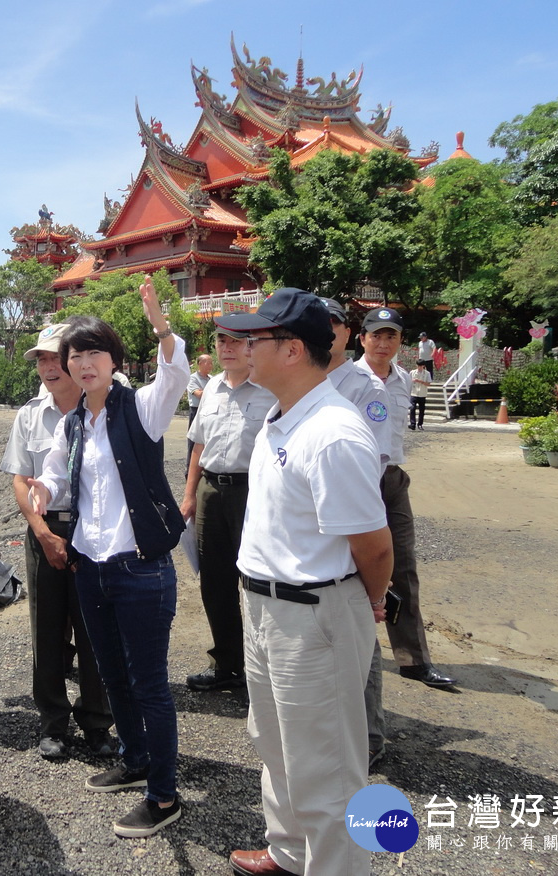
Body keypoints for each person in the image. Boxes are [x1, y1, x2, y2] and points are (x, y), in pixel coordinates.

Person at [228, 288, 393, 876]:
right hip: (268, 606)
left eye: (255, 339)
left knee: (327, 768)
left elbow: (373, 545)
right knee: (275, 747)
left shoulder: (333, 433)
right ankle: (290, 852)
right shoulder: (283, 415)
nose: (243, 348)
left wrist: (370, 601)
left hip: (314, 613)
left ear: (292, 349)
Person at [28, 276, 189, 839]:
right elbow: (52, 468)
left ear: (114, 360)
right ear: (66, 367)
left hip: (141, 570)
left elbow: (173, 375)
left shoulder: (140, 409)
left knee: (149, 684)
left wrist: (160, 325)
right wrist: (44, 492)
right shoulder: (73, 422)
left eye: (95, 351)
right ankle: (134, 757)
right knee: (112, 675)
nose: (84, 362)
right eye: (76, 354)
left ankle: (164, 795)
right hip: (90, 567)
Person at [0, 324, 114, 760]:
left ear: (73, 359)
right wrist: (43, 532)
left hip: (94, 532)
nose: (48, 366)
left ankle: (98, 723)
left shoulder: (104, 408)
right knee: (46, 630)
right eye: (41, 360)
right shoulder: (30, 414)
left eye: (55, 357)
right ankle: (52, 723)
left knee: (95, 630)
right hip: (44, 530)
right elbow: (19, 478)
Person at [357, 308, 456, 691]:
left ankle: (413, 660)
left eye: (391, 337)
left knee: (403, 567)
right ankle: (353, 652)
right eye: (376, 336)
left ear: (401, 342)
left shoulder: (403, 380)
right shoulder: (345, 380)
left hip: (392, 480)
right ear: (361, 338)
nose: (383, 343)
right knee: (345, 565)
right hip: (354, 479)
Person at [179, 316, 275, 692]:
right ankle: (228, 665)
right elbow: (198, 447)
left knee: (257, 582)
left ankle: (262, 675)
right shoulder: (212, 388)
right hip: (211, 493)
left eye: (236, 341)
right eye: (221, 340)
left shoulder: (269, 390)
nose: (226, 348)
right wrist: (189, 495)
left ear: (252, 347)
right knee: (215, 583)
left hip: (253, 493)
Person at [320, 298, 393, 770]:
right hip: (313, 523)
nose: (321, 333)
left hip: (350, 516)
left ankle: (368, 735)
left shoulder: (365, 386)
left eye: (331, 325)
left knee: (360, 620)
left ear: (347, 332)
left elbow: (374, 464)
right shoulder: (299, 379)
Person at [185, 354, 214, 471]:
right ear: (200, 364)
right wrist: (211, 392)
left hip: (210, 411)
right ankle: (189, 471)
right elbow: (198, 394)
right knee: (194, 442)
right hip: (196, 411)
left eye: (211, 363)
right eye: (208, 362)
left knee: (207, 441)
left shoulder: (211, 379)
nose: (211, 365)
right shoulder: (192, 378)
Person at [410, 361, 431, 430]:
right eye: (418, 366)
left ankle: (420, 424)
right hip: (414, 393)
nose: (419, 368)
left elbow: (428, 383)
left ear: (423, 366)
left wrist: (421, 381)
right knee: (412, 408)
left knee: (422, 410)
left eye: (420, 366)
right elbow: (408, 381)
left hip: (422, 393)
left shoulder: (427, 373)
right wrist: (413, 380)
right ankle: (412, 424)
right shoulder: (412, 372)